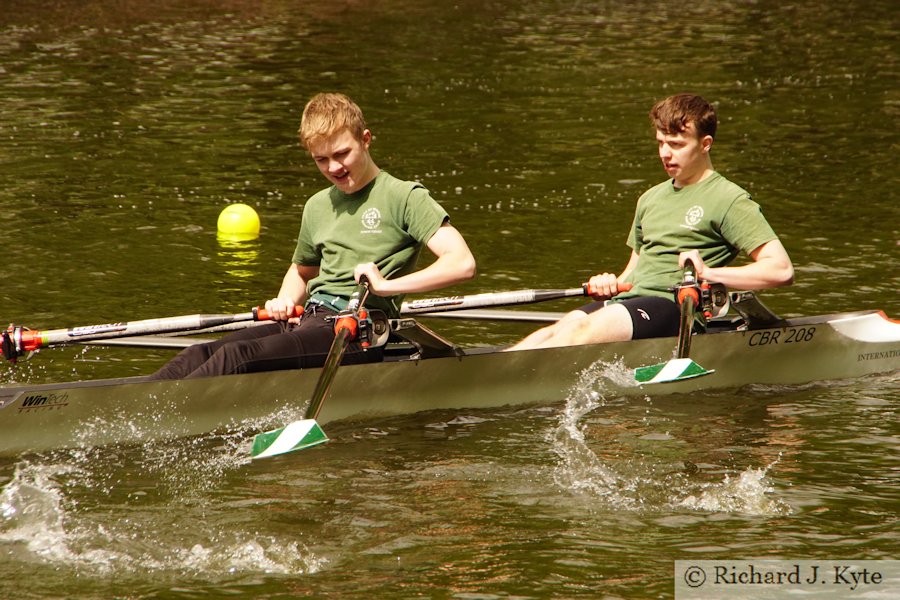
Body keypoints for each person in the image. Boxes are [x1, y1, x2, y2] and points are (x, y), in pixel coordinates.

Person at [151, 93, 476, 379]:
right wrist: (284, 300)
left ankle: (165, 420)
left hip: (358, 330)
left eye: (342, 154)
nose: (334, 167)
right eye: (322, 159)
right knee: (196, 354)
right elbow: (302, 271)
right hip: (309, 320)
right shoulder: (317, 205)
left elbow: (461, 263)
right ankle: (125, 414)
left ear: (365, 139)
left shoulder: (405, 197)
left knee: (234, 358)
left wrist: (385, 286)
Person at [510, 93, 793, 351]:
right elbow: (632, 275)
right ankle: (489, 375)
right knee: (554, 332)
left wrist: (707, 272)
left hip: (674, 308)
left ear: (705, 144)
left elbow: (780, 270)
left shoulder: (729, 199)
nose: (665, 153)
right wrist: (609, 284)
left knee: (579, 332)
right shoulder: (649, 198)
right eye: (661, 143)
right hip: (631, 303)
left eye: (677, 144)